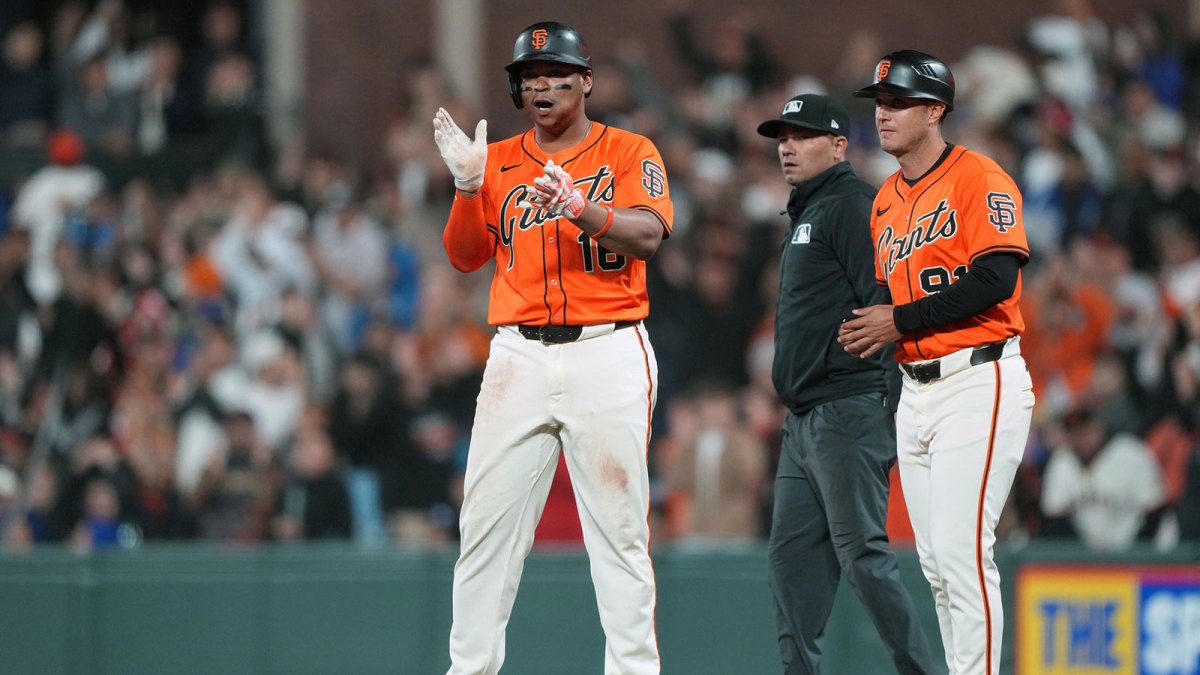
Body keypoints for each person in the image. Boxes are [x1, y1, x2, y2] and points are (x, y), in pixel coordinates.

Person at [431, 21, 673, 675]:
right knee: (483, 529)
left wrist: (582, 209)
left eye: (555, 76)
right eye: (529, 78)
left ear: (585, 82)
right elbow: (465, 256)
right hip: (519, 355)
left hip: (608, 347)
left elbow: (649, 235)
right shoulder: (501, 161)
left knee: (620, 533)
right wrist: (465, 188)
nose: (541, 88)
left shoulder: (629, 150)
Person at [838, 51, 1036, 675]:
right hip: (915, 388)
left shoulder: (981, 176)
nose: (884, 113)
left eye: (897, 102)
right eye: (879, 101)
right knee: (933, 563)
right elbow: (888, 302)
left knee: (962, 554)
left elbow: (996, 278)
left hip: (980, 376)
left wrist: (900, 320)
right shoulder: (885, 202)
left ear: (934, 110)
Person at [757, 93, 937, 674]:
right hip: (804, 420)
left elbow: (887, 302)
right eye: (782, 137)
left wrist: (883, 402)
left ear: (838, 145)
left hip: (848, 408)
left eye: (803, 135)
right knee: (790, 567)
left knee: (863, 556)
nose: (788, 146)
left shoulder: (854, 204)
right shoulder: (809, 211)